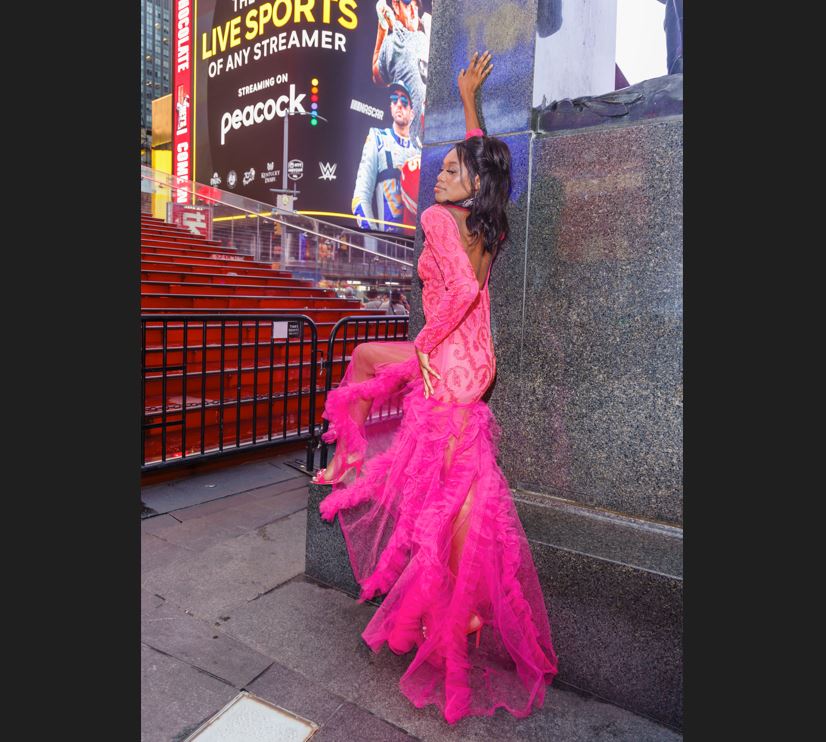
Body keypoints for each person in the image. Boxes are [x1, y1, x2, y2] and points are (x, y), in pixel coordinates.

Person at [312, 51, 557, 724]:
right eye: (442, 167)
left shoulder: (436, 220)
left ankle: (350, 465)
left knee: (376, 379)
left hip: (447, 361)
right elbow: (481, 175)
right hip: (477, 365)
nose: (439, 174)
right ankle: (460, 605)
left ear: (467, 183)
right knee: (458, 488)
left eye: (450, 169)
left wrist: (423, 345)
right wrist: (470, 101)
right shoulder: (487, 222)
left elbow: (463, 292)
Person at [352, 82, 421, 234]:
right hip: (387, 243)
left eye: (404, 101)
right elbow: (360, 197)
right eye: (394, 99)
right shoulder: (378, 139)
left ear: (413, 112)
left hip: (415, 243)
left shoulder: (421, 150)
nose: (398, 104)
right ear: (390, 106)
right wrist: (375, 238)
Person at [372, 0, 430, 144]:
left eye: (415, 7)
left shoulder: (423, 30)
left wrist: (383, 27)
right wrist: (385, 26)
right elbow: (377, 77)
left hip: (430, 137)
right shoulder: (394, 43)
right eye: (408, 7)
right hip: (419, 142)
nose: (414, 12)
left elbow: (377, 76)